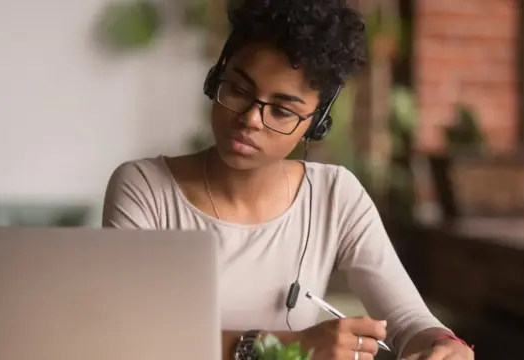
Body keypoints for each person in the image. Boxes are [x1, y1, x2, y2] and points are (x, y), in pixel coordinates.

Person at [102, 0, 475, 359]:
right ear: (216, 78)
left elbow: (409, 322)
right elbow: (129, 337)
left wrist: (441, 344)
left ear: (315, 124)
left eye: (281, 110)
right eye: (237, 89)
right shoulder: (144, 188)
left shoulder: (335, 196)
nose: (249, 119)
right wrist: (280, 348)